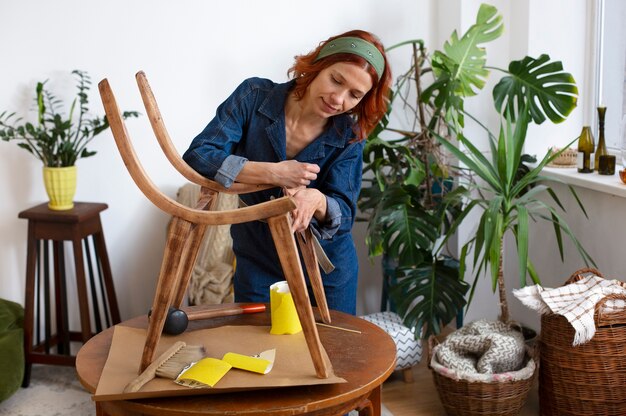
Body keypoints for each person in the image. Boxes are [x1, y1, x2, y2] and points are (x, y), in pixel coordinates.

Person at [182, 29, 392, 315]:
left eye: (354, 95)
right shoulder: (254, 97)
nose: (338, 99)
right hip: (257, 258)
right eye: (336, 80)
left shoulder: (350, 136)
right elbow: (200, 154)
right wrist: (273, 173)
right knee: (259, 351)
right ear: (318, 65)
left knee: (336, 352)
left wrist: (316, 200)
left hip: (326, 268)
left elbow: (343, 211)